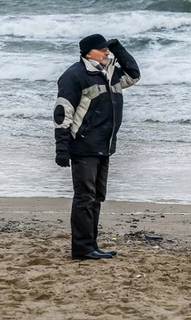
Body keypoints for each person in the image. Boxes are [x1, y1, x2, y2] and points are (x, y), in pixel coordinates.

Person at [53, 34, 140, 260]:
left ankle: (91, 245)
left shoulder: (110, 73)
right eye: (102, 50)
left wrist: (118, 48)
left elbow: (134, 74)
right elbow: (63, 113)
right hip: (83, 146)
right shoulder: (74, 76)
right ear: (88, 52)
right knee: (84, 197)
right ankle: (82, 249)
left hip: (104, 145)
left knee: (97, 196)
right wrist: (61, 148)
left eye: (107, 49)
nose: (107, 53)